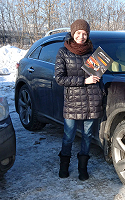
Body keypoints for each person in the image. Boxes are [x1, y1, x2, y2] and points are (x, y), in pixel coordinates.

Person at [54, 19, 104, 181]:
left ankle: (83, 168)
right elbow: (60, 79)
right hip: (73, 103)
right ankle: (64, 167)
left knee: (87, 136)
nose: (81, 37)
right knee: (68, 136)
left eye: (84, 34)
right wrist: (84, 81)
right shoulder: (63, 52)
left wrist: (100, 88)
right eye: (78, 33)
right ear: (73, 33)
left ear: (87, 35)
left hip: (92, 102)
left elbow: (99, 79)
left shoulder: (93, 52)